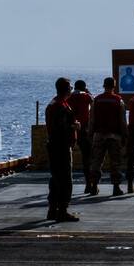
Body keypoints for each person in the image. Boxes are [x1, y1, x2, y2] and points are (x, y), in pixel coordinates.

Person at [44, 76, 81, 222]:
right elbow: (61, 127)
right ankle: (63, 210)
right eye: (70, 88)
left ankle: (52, 209)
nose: (71, 90)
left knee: (56, 179)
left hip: (54, 145)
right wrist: (75, 126)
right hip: (61, 146)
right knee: (65, 179)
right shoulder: (61, 106)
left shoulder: (54, 103)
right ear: (66, 89)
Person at [88, 77, 127, 197]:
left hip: (99, 135)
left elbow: (92, 119)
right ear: (114, 86)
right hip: (114, 136)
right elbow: (122, 120)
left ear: (104, 85)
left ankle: (94, 186)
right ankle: (116, 187)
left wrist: (90, 134)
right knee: (115, 162)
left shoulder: (96, 100)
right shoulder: (118, 100)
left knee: (96, 161)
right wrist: (125, 135)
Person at [67, 80, 94, 193]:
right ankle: (89, 184)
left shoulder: (69, 97)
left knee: (67, 158)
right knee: (87, 158)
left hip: (71, 129)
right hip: (84, 130)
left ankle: (66, 185)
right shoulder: (86, 96)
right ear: (84, 87)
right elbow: (93, 102)